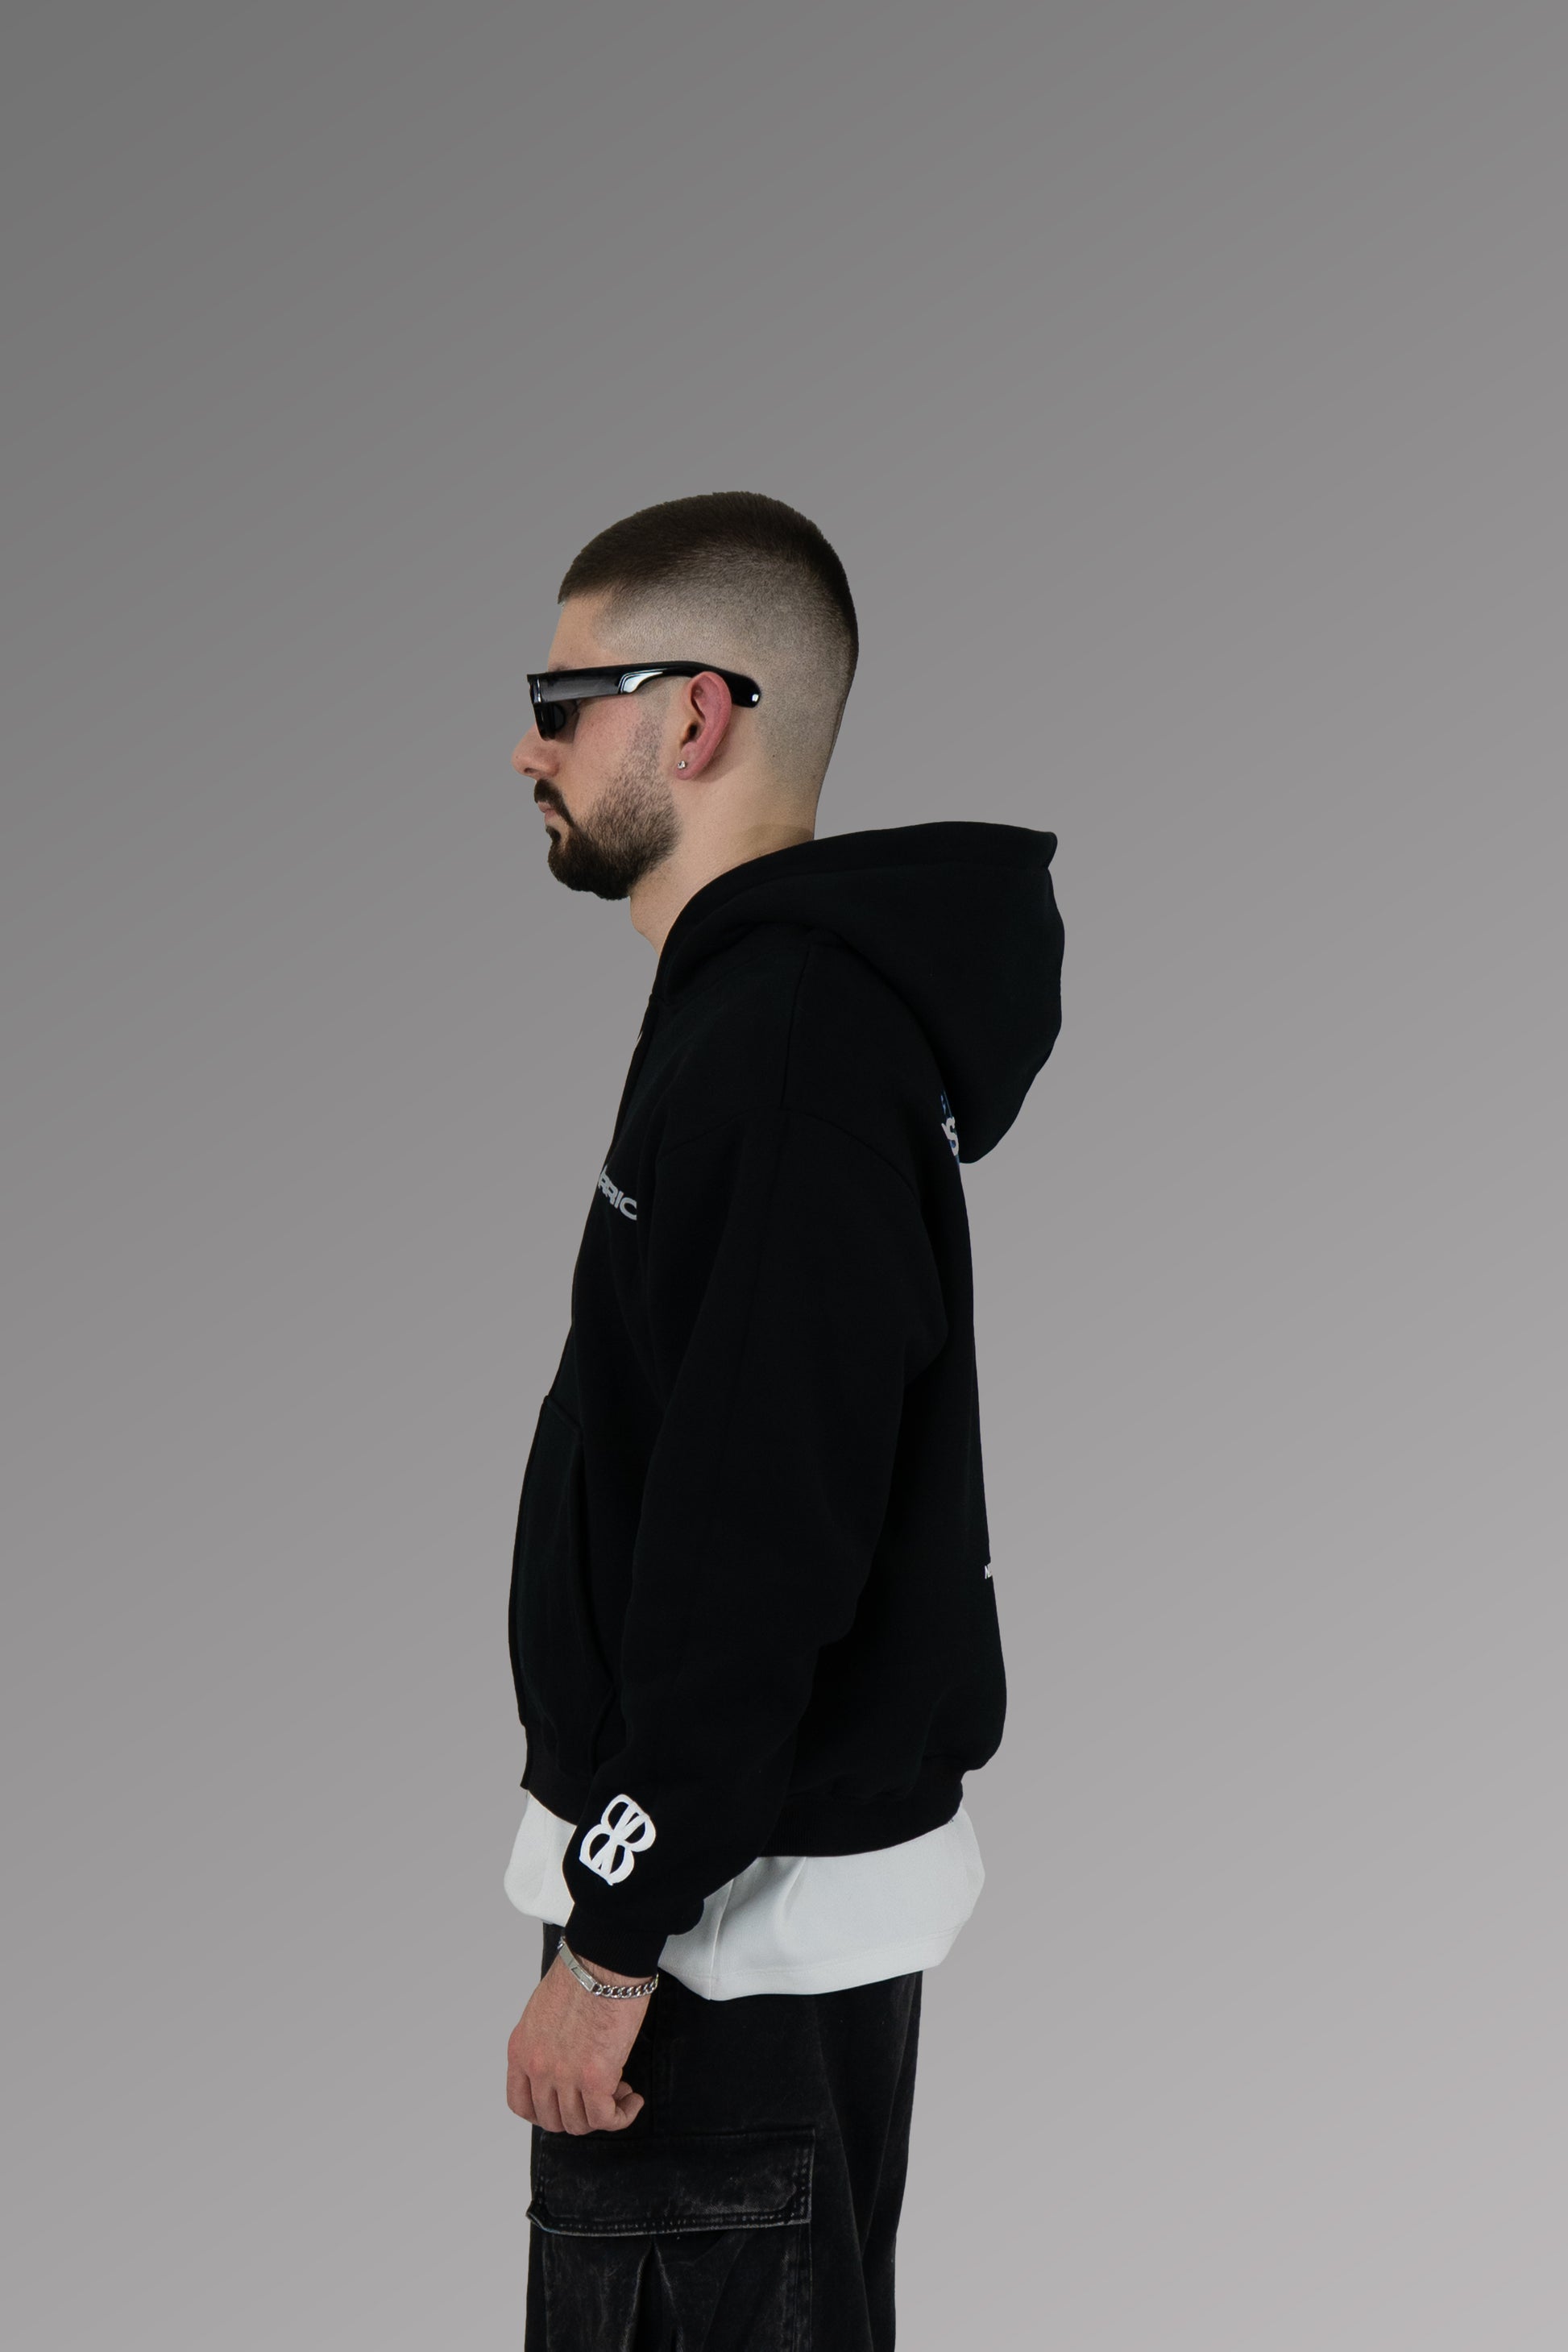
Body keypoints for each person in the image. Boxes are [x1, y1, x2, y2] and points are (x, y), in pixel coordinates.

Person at [503, 490, 1064, 2350]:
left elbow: (756, 1536)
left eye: (560, 700)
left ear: (694, 713)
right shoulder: (765, 1016)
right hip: (720, 1906)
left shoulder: (788, 1048)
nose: (528, 747)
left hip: (712, 1941)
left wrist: (612, 1938)